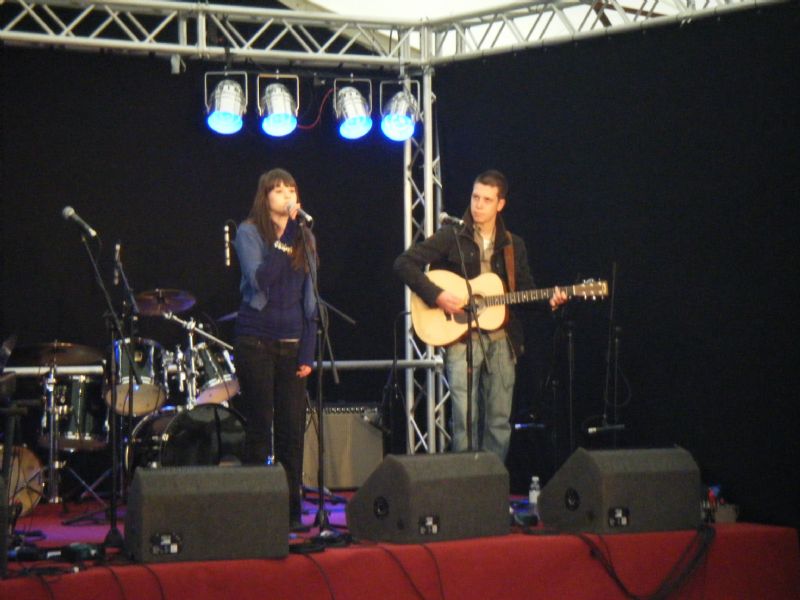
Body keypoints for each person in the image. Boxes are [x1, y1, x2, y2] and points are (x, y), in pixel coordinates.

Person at [393, 169, 567, 461]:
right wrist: (437, 295)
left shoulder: (513, 245)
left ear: (500, 204)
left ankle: (492, 481)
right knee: (464, 420)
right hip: (461, 339)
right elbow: (404, 263)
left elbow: (523, 293)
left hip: (502, 340)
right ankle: (465, 481)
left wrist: (549, 302)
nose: (478, 205)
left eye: (487, 200)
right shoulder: (452, 236)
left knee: (499, 420)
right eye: (475, 197)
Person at [232, 168, 317, 532]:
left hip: (293, 343)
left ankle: (291, 512)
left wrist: (308, 350)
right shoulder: (249, 232)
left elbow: (310, 297)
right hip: (256, 341)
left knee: (291, 432)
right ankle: (256, 514)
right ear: (265, 197)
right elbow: (261, 279)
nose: (286, 195)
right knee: (259, 427)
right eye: (278, 190)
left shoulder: (305, 236)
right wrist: (287, 237)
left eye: (290, 189)